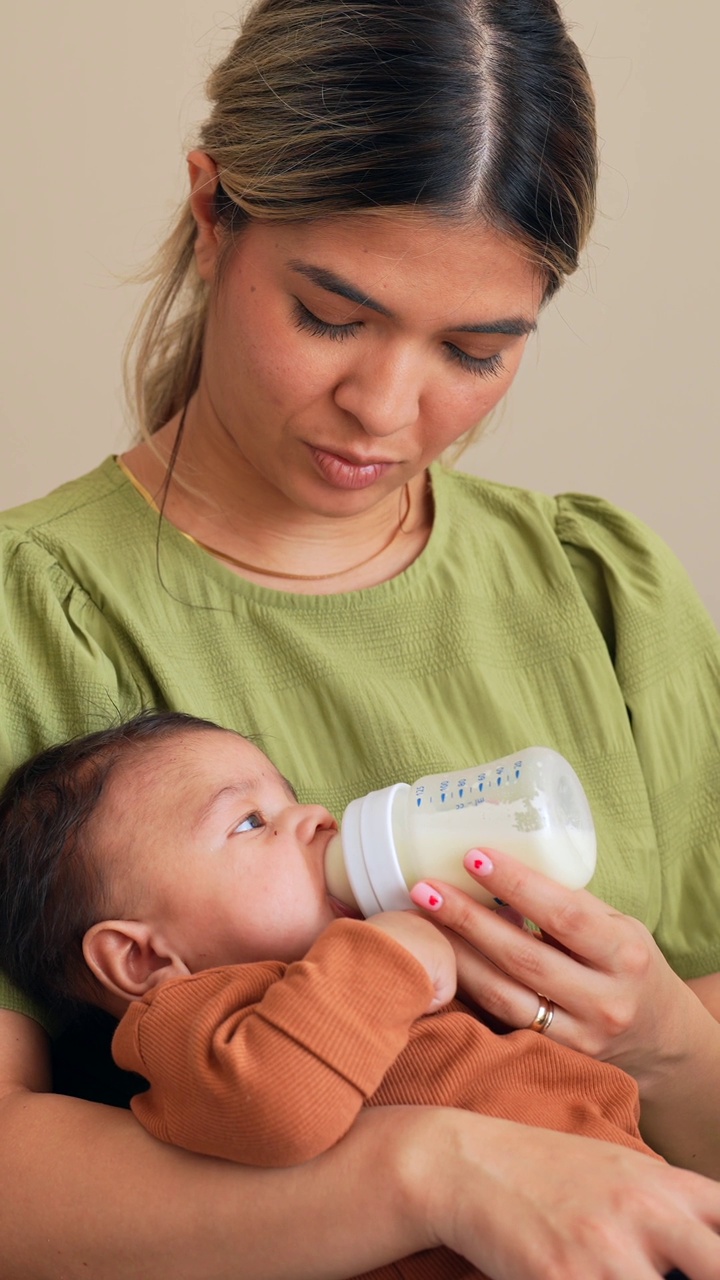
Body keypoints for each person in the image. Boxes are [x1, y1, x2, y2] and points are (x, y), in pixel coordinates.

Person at [0, 0, 718, 1277]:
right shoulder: (33, 617)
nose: (385, 408)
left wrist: (665, 1037)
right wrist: (431, 1169)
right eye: (332, 315)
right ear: (214, 214)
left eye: (476, 349)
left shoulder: (604, 595)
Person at [0, 711, 663, 1196]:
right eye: (250, 823)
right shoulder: (197, 1021)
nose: (317, 816)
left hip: (638, 1197)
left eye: (290, 798)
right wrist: (392, 955)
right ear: (143, 961)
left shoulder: (364, 959)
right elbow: (278, 1112)